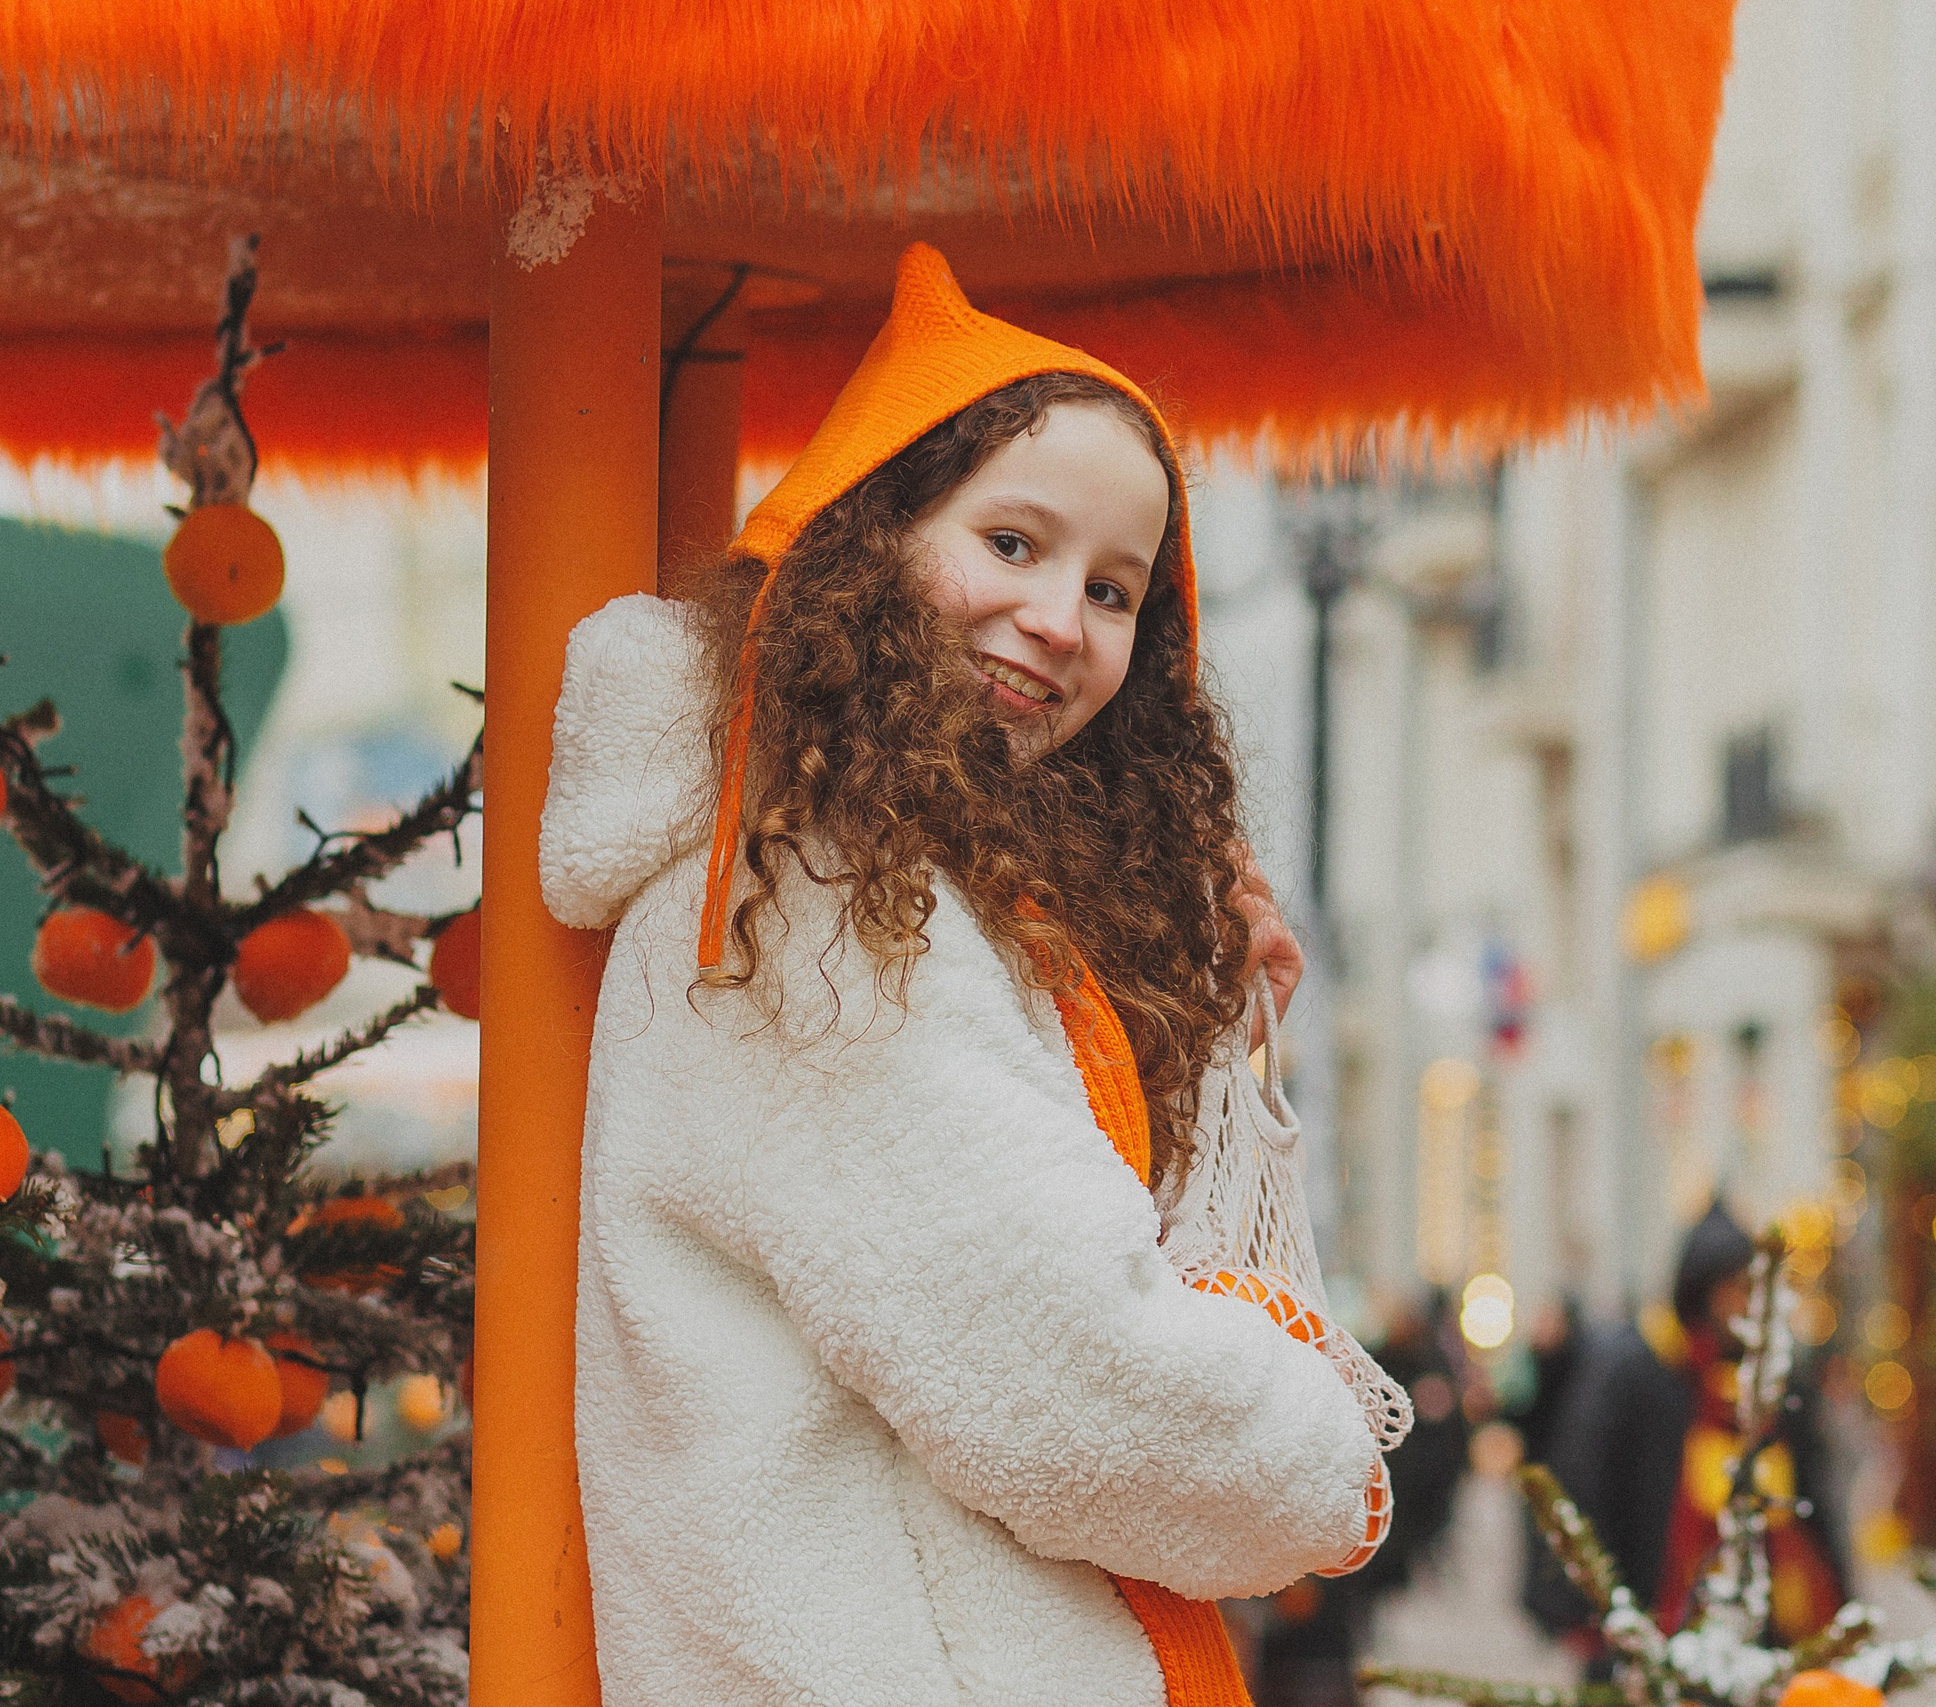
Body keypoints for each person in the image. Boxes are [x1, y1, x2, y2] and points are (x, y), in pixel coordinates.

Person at [540, 243, 1380, 1707]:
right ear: (868, 534)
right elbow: (1061, 1368)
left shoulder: (855, 871)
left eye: (1117, 589)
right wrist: (1326, 1462)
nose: (1063, 619)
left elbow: (1010, 1278)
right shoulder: (814, 895)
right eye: (1012, 543)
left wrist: (1203, 1019)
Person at [1524, 1205, 1845, 1665]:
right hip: (1654, 1619)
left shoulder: (1777, 1380)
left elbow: (1813, 1497)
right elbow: (1584, 1483)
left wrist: (1839, 1606)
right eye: (1733, 1289)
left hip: (1766, 1630)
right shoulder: (1638, 1372)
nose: (1744, 1304)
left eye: (1752, 1289)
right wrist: (1584, 1610)